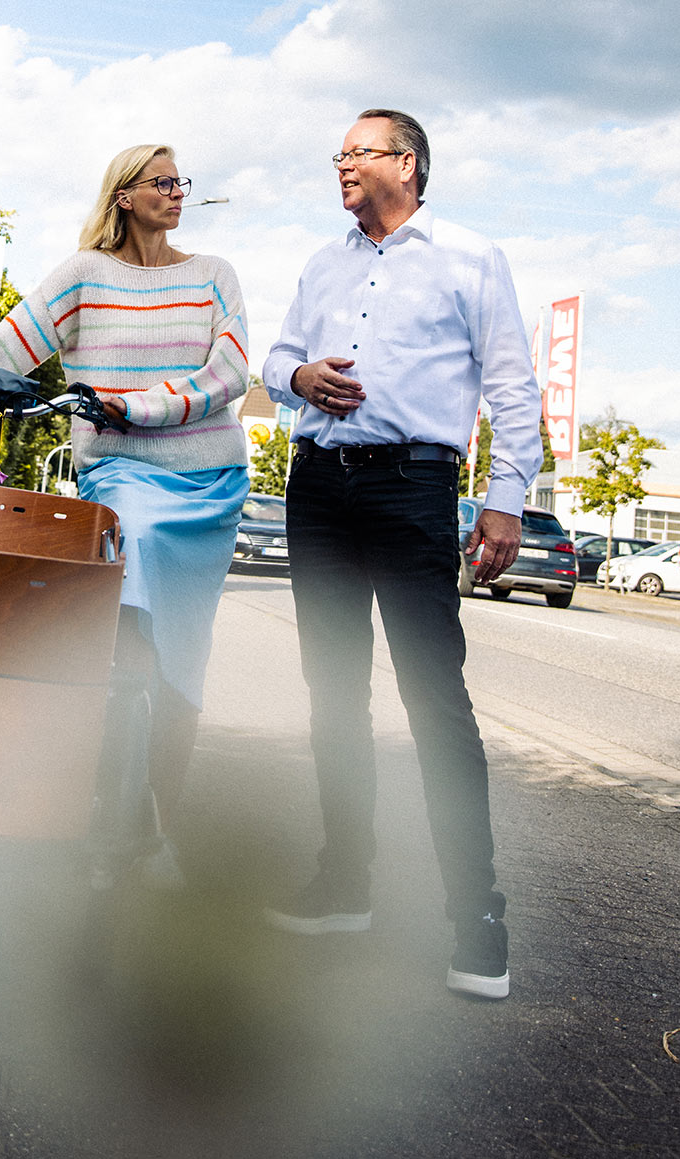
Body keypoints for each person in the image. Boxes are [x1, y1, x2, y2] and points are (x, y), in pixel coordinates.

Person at [0, 145, 249, 862]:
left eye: (181, 182)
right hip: (121, 477)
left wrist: (133, 406)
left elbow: (231, 370)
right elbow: (5, 348)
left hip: (209, 485)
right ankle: (102, 792)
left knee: (184, 659)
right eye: (162, 182)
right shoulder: (85, 275)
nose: (177, 193)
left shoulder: (213, 274)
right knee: (130, 596)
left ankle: (157, 830)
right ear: (125, 197)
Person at [263, 109, 542, 1000]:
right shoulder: (323, 262)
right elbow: (275, 358)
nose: (340, 163)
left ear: (407, 163)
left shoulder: (469, 256)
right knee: (333, 692)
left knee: (434, 695)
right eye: (337, 152)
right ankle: (345, 883)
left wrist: (504, 502)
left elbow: (511, 384)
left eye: (357, 150)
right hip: (319, 487)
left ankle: (478, 918)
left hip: (412, 486)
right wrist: (300, 378)